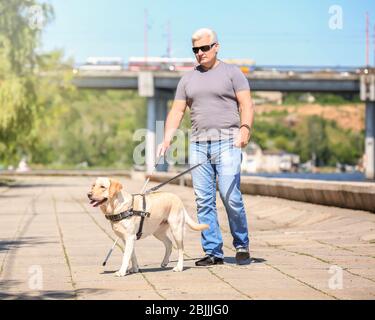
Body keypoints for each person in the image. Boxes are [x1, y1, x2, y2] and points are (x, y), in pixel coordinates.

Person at [157, 28, 254, 266]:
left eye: (204, 48)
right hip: (199, 145)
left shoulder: (233, 73)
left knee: (230, 196)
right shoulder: (187, 79)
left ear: (216, 46)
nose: (200, 53)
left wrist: (244, 129)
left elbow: (246, 104)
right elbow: (177, 111)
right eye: (195, 50)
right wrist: (167, 138)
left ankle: (241, 245)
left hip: (228, 143)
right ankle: (213, 252)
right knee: (203, 200)